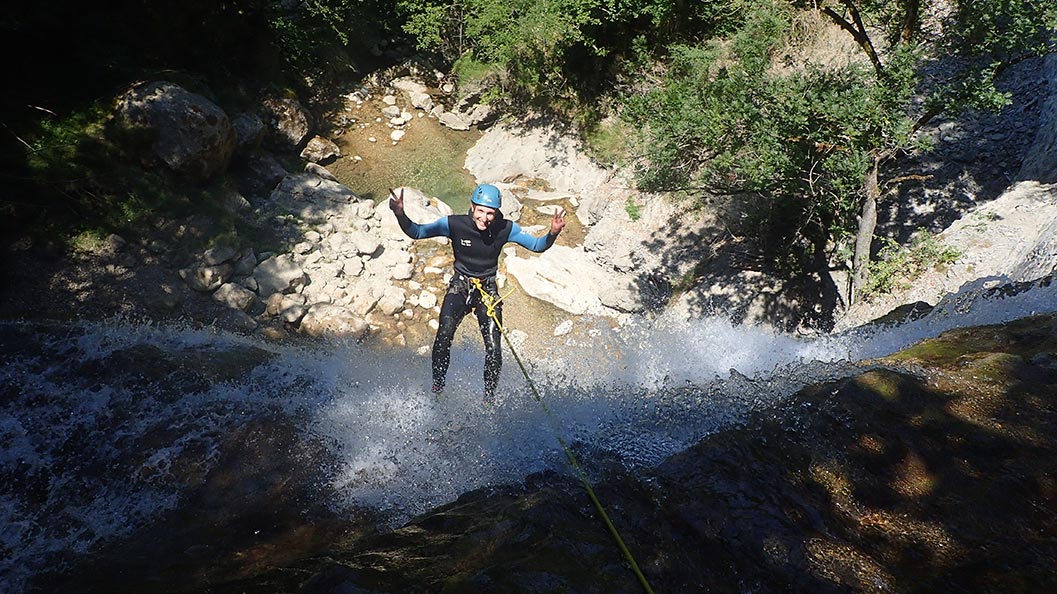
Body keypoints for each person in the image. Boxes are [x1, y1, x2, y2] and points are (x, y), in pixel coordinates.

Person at [389, 184, 566, 403]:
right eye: (480, 210)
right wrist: (400, 214)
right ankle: (438, 384)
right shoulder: (454, 224)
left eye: (490, 213)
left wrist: (553, 233)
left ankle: (489, 396)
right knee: (444, 335)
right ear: (472, 207)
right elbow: (417, 231)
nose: (484, 217)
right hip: (460, 287)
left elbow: (538, 246)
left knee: (494, 347)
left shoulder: (506, 228)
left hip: (487, 289)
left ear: (497, 213)